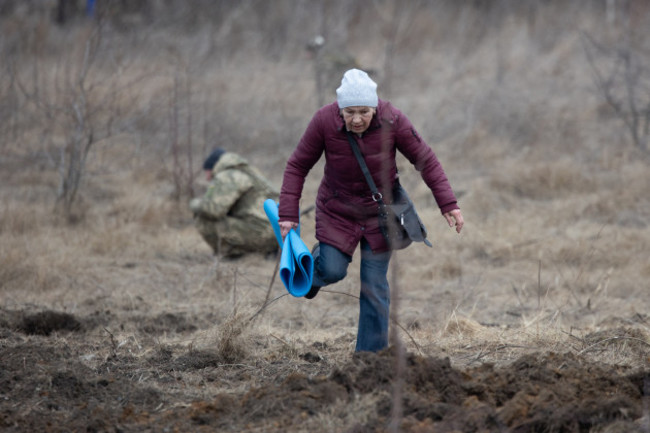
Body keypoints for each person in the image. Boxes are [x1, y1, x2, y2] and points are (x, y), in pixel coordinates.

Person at [278, 69, 464, 352]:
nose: (356, 119)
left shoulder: (393, 120)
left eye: (363, 112)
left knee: (374, 285)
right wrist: (288, 214)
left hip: (380, 214)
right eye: (349, 112)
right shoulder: (323, 122)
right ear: (339, 110)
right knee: (331, 269)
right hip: (337, 211)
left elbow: (425, 160)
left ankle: (369, 358)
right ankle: (314, 267)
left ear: (374, 108)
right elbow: (297, 165)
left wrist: (448, 204)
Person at [190, 148, 280, 258]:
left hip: (262, 233)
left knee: (202, 218)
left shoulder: (229, 175)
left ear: (212, 167)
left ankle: (233, 254)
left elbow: (213, 210)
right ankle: (266, 250)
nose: (207, 178)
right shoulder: (251, 172)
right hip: (279, 234)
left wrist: (194, 203)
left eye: (207, 172)